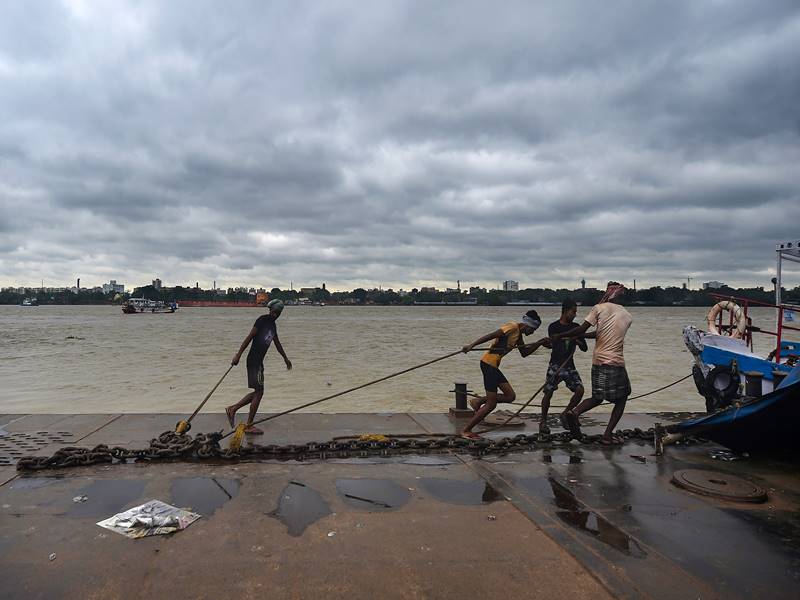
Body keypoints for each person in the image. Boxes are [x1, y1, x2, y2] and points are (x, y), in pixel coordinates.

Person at [550, 282, 633, 445]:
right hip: (615, 361)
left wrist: (562, 336)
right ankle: (607, 434)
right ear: (621, 297)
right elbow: (599, 333)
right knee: (622, 397)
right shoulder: (628, 316)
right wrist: (572, 336)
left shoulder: (598, 308)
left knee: (597, 397)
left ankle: (575, 412)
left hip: (598, 360)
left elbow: (584, 330)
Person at [460, 310, 550, 439]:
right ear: (528, 325)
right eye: (533, 330)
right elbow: (491, 335)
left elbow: (524, 353)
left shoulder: (518, 335)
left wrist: (540, 342)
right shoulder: (512, 327)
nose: (532, 333)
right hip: (488, 364)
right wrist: (471, 345)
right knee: (491, 404)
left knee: (510, 396)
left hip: (493, 366)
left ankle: (478, 400)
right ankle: (466, 430)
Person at [225, 299, 292, 434]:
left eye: (279, 313)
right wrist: (238, 355)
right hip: (254, 361)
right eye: (275, 311)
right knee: (259, 392)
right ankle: (248, 424)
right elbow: (249, 337)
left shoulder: (273, 325)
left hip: (258, 362)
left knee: (258, 391)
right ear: (270, 310)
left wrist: (285, 358)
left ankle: (233, 409)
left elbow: (277, 343)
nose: (276, 314)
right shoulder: (262, 320)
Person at [540, 298, 590, 435]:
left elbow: (585, 348)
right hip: (555, 364)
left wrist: (578, 340)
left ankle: (565, 413)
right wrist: (546, 343)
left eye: (575, 312)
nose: (575, 315)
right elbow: (553, 344)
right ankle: (543, 421)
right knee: (548, 393)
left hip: (569, 366)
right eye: (573, 312)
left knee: (579, 390)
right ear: (565, 311)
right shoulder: (553, 327)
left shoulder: (576, 327)